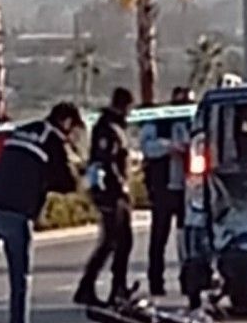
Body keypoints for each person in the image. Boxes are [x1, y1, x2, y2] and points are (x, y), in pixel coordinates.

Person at [0, 102, 85, 323]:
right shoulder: (52, 141)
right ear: (66, 122)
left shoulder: (23, 129)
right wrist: (75, 164)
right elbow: (68, 183)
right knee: (19, 279)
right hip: (16, 212)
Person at [75, 87, 137, 307]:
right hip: (111, 193)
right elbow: (106, 161)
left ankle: (119, 287)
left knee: (123, 242)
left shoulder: (116, 127)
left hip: (116, 191)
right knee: (111, 241)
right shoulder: (107, 128)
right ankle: (88, 287)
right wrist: (121, 186)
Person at [140, 86, 194, 297]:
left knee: (187, 239)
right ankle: (156, 281)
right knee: (158, 238)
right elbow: (147, 147)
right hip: (163, 189)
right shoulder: (158, 123)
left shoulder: (195, 122)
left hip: (188, 190)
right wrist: (169, 147)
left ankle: (189, 280)